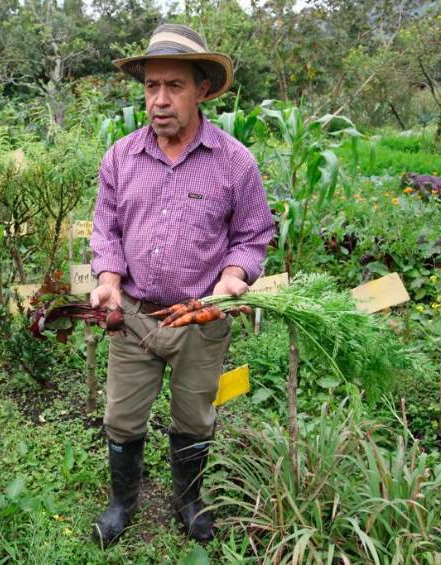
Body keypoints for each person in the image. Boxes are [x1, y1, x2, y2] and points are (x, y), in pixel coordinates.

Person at [89, 23, 275, 547]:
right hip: (135, 316)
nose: (160, 100)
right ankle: (122, 502)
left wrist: (235, 275)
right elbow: (107, 229)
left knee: (195, 416)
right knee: (122, 419)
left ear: (202, 90)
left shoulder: (235, 163)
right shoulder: (120, 158)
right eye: (152, 86)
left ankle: (189, 500)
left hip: (202, 318)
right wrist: (107, 280)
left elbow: (253, 234)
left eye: (174, 86)